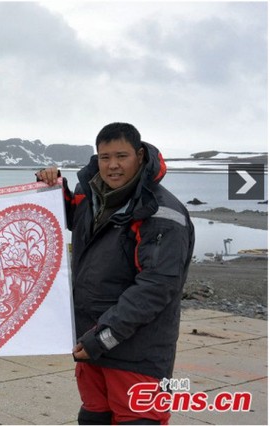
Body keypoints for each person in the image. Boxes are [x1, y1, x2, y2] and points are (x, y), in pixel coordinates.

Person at [36, 123, 195, 425]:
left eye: (121, 156)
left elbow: (156, 287)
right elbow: (69, 218)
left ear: (139, 155)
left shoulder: (160, 212)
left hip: (136, 353)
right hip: (92, 347)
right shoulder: (91, 196)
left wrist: (103, 336)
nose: (112, 165)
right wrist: (51, 188)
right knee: (93, 417)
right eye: (104, 157)